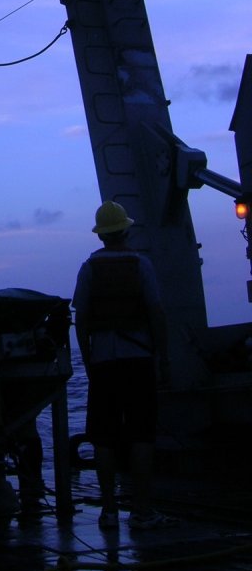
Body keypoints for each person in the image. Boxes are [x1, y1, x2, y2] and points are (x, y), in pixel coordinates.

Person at [72, 200, 175, 531]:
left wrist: (88, 362)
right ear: (126, 230)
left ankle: (109, 511)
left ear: (101, 236)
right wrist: (163, 358)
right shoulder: (140, 264)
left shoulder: (88, 269)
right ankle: (142, 511)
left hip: (103, 363)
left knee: (103, 436)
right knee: (141, 434)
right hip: (139, 359)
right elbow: (157, 313)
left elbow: (82, 319)